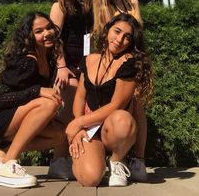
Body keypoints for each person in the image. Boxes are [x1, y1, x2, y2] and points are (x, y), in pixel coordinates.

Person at [0, 12, 67, 188]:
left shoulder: (48, 58)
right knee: (49, 102)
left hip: (14, 115)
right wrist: (38, 90)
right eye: (38, 31)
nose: (47, 33)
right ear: (29, 36)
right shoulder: (27, 60)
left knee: (59, 135)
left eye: (49, 27)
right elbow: (2, 99)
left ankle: (1, 153)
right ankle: (8, 163)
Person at [65, 13, 153, 187]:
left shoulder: (129, 63)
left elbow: (116, 105)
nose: (120, 39)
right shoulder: (89, 59)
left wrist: (78, 122)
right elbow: (80, 96)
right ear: (107, 31)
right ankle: (82, 161)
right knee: (91, 179)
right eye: (117, 31)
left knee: (123, 120)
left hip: (111, 126)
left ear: (131, 42)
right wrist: (78, 126)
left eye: (127, 37)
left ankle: (117, 161)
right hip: (89, 128)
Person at [92, 0, 148, 181]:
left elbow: (138, 34)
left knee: (139, 107)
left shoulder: (133, 3)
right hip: (116, 65)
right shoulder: (103, 9)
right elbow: (105, 41)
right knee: (122, 108)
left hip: (135, 61)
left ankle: (140, 161)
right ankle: (118, 160)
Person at [48, 0, 93, 178]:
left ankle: (75, 159)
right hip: (68, 66)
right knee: (69, 113)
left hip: (88, 66)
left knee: (84, 114)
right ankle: (58, 160)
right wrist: (61, 66)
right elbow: (53, 38)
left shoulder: (93, 2)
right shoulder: (60, 4)